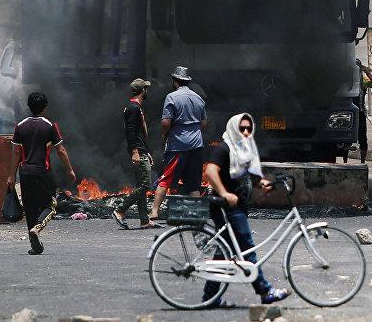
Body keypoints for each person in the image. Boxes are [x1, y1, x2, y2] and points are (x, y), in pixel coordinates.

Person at [202, 114, 290, 307]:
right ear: (234, 128)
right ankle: (265, 291)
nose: (246, 132)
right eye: (242, 128)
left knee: (223, 254)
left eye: (249, 128)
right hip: (226, 207)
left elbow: (248, 175)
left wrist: (263, 183)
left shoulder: (243, 150)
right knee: (247, 248)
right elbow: (210, 172)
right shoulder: (224, 148)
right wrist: (225, 193)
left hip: (238, 205)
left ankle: (209, 297)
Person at [6, 92, 76, 255]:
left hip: (24, 172)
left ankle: (34, 245)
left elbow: (16, 153)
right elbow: (60, 149)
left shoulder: (20, 125)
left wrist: (11, 175)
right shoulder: (49, 125)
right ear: (45, 107)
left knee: (29, 207)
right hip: (42, 171)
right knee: (50, 205)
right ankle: (37, 228)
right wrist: (69, 169)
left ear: (29, 106)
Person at [150, 67, 207, 222]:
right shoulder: (198, 98)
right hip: (196, 145)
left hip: (178, 145)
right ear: (187, 81)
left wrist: (164, 135)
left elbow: (165, 122)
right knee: (193, 182)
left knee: (166, 178)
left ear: (175, 81)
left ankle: (154, 211)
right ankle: (197, 214)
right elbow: (203, 123)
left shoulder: (172, 97)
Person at [113, 79, 161, 230]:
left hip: (141, 150)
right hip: (138, 151)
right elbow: (130, 131)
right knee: (146, 184)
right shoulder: (133, 108)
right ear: (142, 91)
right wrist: (135, 152)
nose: (147, 91)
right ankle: (120, 210)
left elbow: (139, 133)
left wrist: (146, 151)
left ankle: (144, 220)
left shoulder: (134, 107)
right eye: (146, 89)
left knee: (141, 185)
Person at [356, 59, 372, 164]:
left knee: (362, 138)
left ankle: (362, 161)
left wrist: (367, 72)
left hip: (360, 112)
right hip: (347, 111)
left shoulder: (363, 80)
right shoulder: (345, 79)